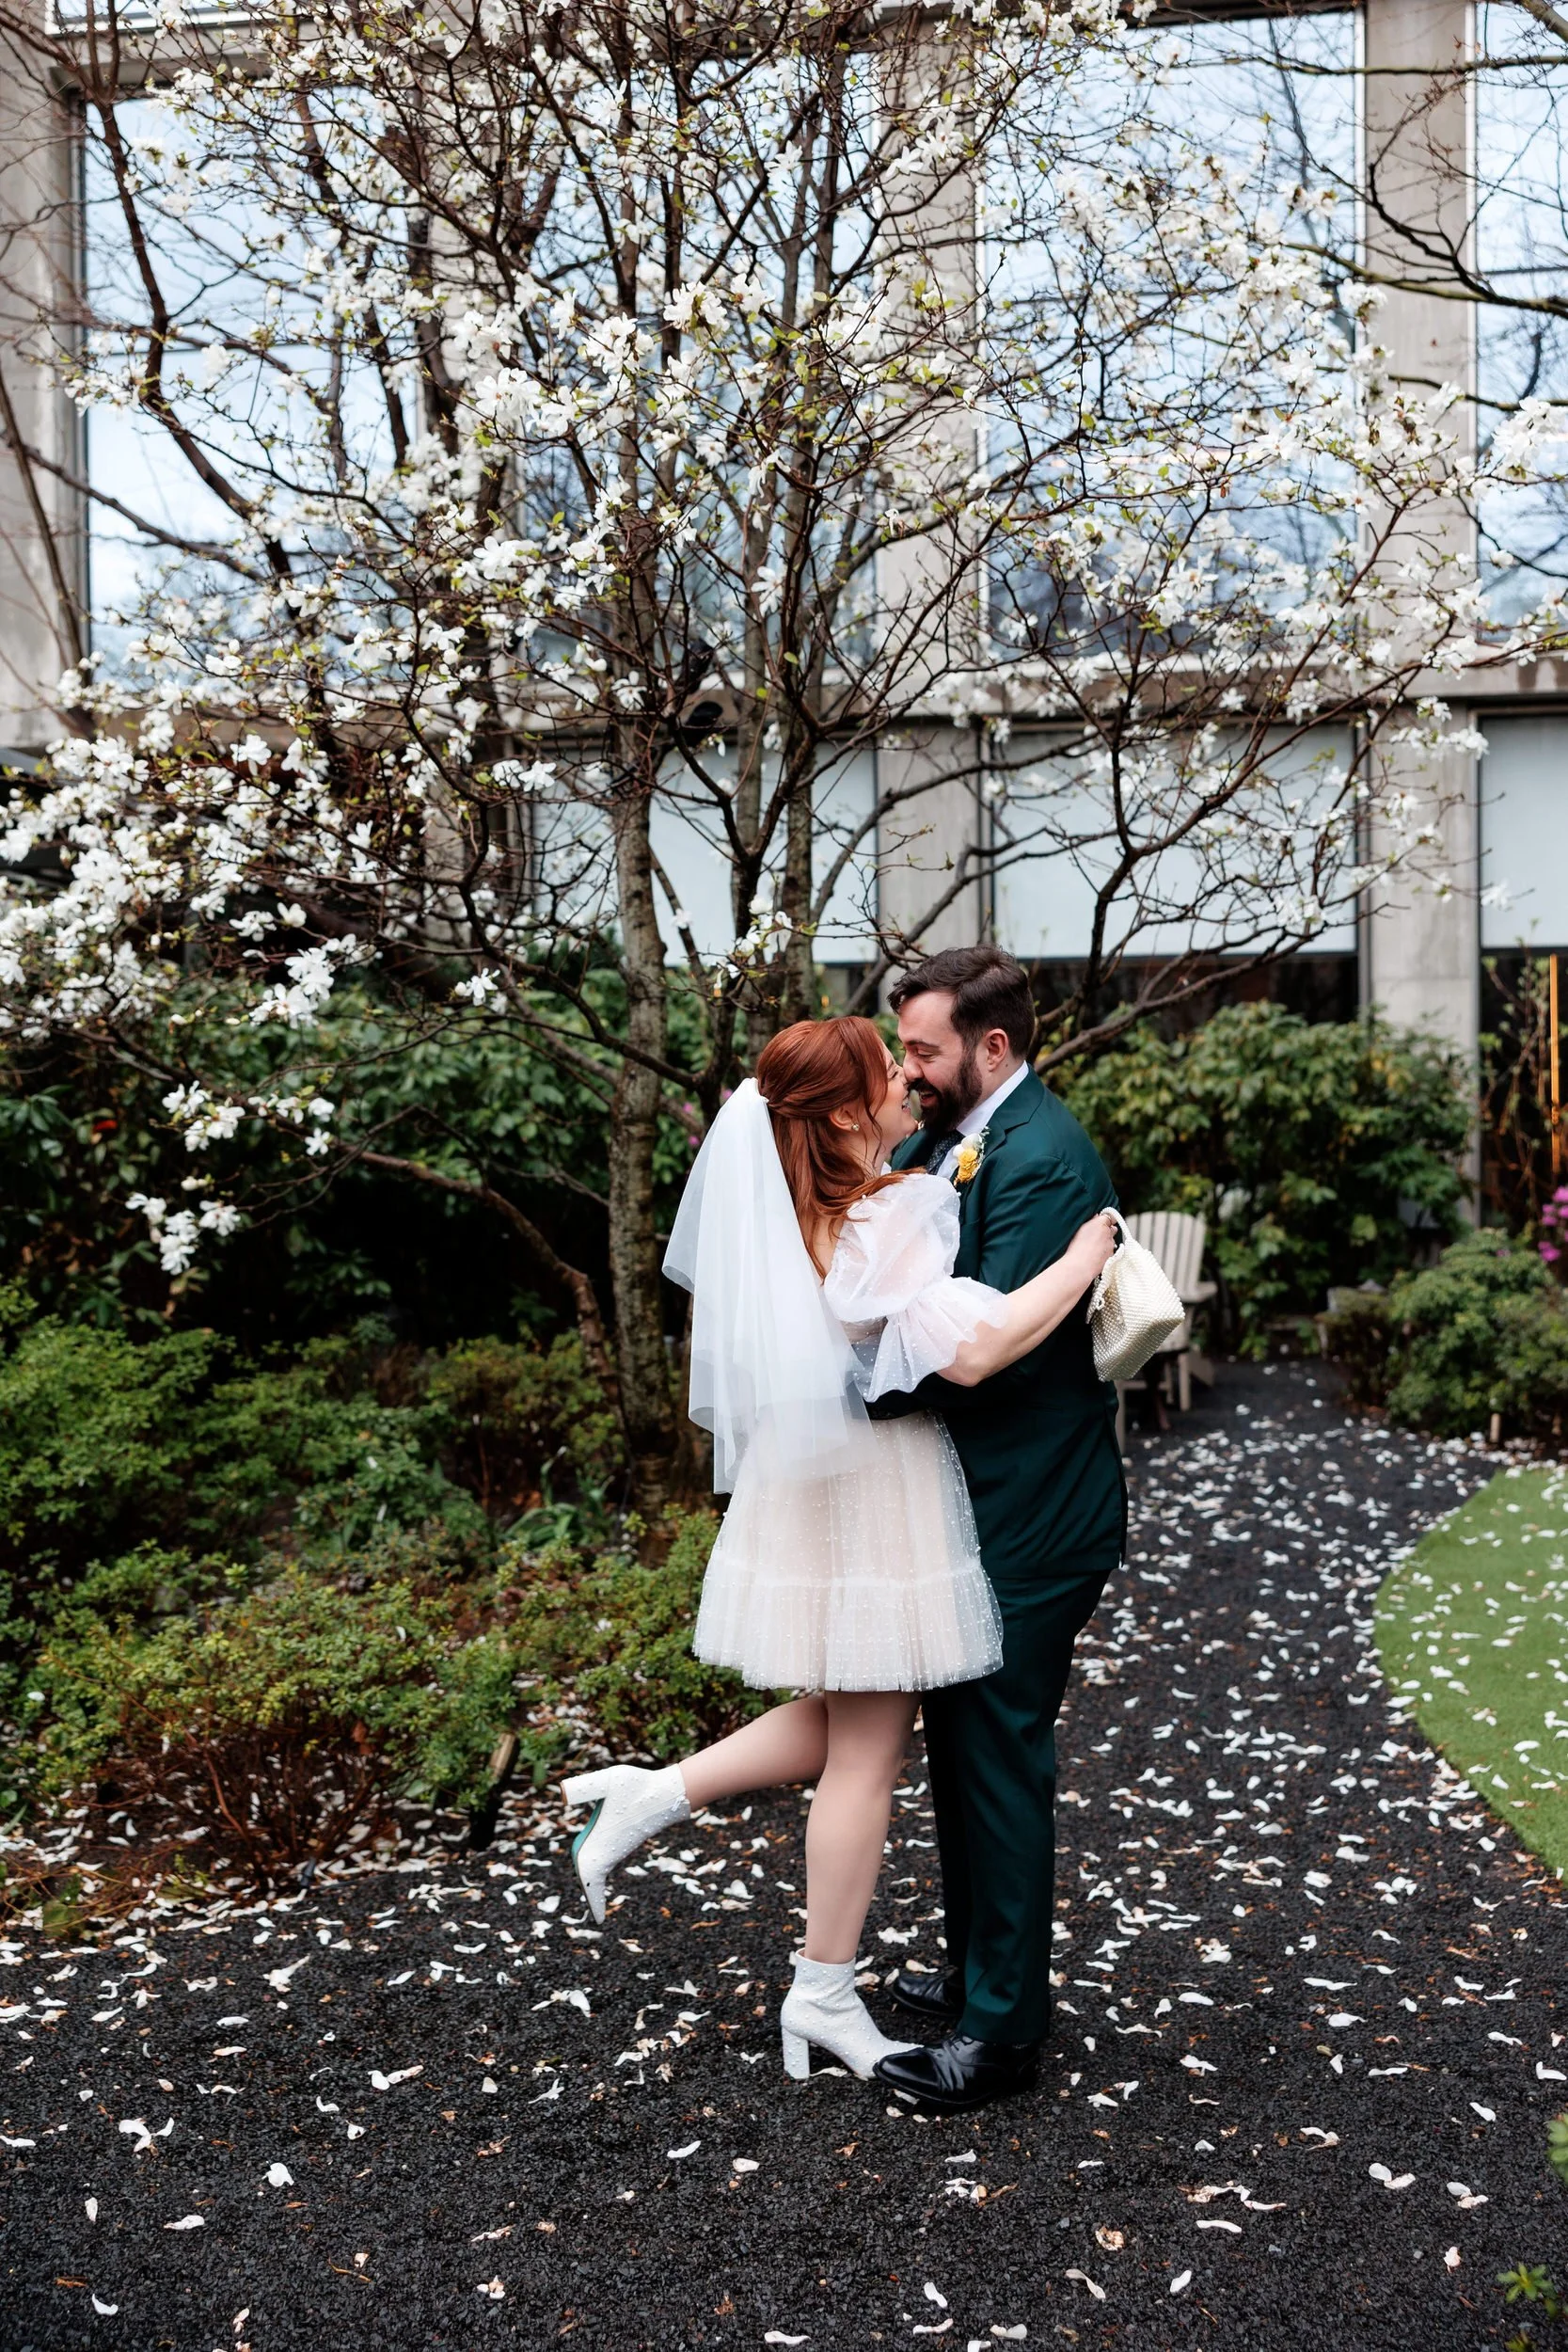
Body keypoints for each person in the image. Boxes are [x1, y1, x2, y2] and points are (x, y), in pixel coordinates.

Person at [562, 1014, 1115, 2084]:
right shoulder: (895, 1207)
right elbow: (980, 1345)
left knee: (850, 1715)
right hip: (882, 1486)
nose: (908, 1081)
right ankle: (822, 1993)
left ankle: (653, 1794)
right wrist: (1084, 1253)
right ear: (853, 1109)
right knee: (866, 1748)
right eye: (887, 1070)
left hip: (812, 1481)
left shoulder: (803, 1210)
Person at [870, 946, 1124, 2114]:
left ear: (991, 1047)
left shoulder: (1044, 1160)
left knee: (1000, 1751)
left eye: (922, 1049)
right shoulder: (954, 1136)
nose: (908, 1070)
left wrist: (867, 1377)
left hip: (1032, 1506)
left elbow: (983, 1341)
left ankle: (1004, 2034)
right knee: (961, 1745)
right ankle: (982, 1973)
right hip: (970, 1503)